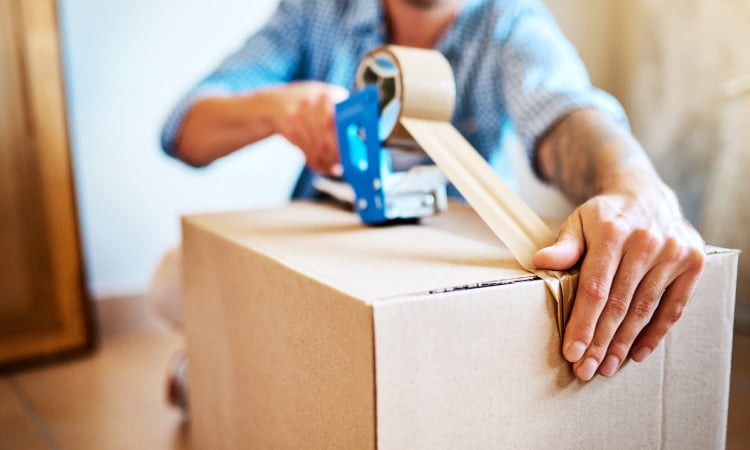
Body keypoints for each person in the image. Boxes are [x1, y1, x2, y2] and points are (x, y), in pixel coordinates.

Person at [159, 0, 705, 388]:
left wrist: (634, 183)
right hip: (324, 246)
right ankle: (231, 367)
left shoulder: (507, 23)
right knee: (170, 281)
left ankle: (238, 366)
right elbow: (185, 131)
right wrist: (278, 107)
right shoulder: (316, 12)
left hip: (439, 268)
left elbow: (564, 112)